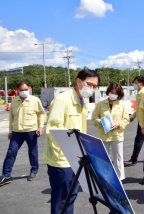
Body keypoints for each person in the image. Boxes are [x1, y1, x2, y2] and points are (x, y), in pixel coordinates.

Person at [43, 69, 100, 214]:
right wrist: (67, 150)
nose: (91, 88)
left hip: (75, 157)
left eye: (94, 86)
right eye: (89, 84)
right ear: (78, 81)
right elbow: (53, 130)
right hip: (61, 159)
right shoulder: (62, 100)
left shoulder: (82, 101)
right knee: (62, 199)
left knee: (71, 196)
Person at [0, 81, 45, 187]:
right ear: (18, 90)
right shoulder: (15, 101)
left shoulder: (35, 100)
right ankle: (6, 176)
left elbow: (41, 113)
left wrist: (41, 127)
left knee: (33, 152)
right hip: (17, 131)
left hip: (31, 130)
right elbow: (11, 117)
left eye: (26, 89)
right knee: (11, 152)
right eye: (22, 90)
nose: (24, 92)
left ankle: (34, 171)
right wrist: (10, 131)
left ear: (29, 88)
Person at [92, 83, 129, 180]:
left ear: (119, 94)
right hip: (103, 135)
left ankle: (120, 179)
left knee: (118, 158)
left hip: (117, 135)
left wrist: (119, 124)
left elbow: (126, 119)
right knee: (103, 158)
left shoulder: (122, 105)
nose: (113, 94)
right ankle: (103, 178)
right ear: (108, 91)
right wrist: (100, 122)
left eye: (116, 93)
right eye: (112, 92)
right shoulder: (100, 104)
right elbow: (94, 118)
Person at [124, 76, 144, 166]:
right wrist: (133, 116)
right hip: (141, 120)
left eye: (135, 83)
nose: (134, 85)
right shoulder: (139, 93)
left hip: (143, 121)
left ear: (141, 84)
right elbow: (139, 108)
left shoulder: (143, 94)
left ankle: (133, 159)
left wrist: (142, 122)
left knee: (138, 140)